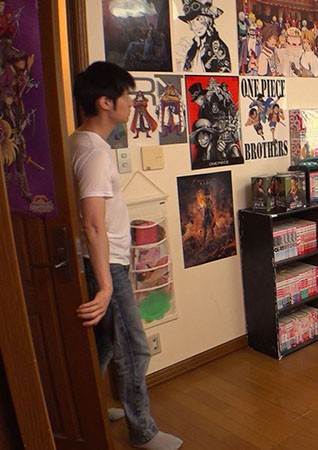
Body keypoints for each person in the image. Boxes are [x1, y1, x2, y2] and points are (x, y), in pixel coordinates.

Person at [70, 61, 182, 449]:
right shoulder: (95, 153)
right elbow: (92, 224)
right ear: (105, 102)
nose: (132, 102)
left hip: (101, 262)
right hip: (107, 265)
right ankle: (142, 431)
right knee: (134, 348)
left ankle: (87, 409)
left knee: (103, 345)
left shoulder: (77, 142)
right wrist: (105, 286)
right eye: (126, 95)